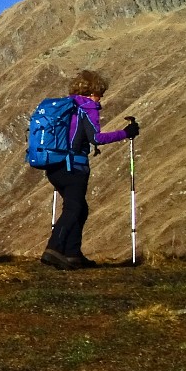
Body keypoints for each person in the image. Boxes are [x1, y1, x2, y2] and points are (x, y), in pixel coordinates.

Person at [41, 71, 140, 270]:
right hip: (74, 166)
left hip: (54, 166)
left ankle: (72, 254)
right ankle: (54, 249)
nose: (100, 98)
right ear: (92, 91)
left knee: (79, 208)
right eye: (100, 93)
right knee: (74, 208)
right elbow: (96, 138)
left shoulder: (65, 106)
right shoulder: (88, 108)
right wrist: (125, 133)